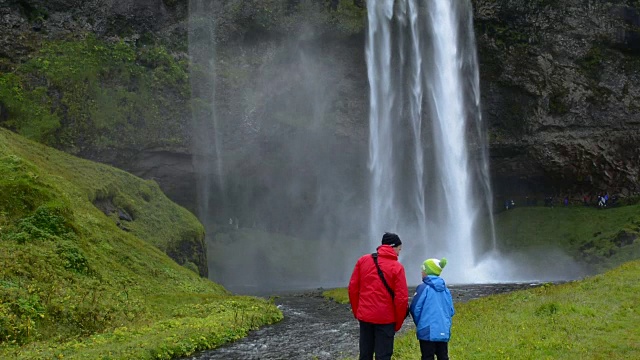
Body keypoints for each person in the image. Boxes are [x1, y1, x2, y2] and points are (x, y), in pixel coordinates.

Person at [348, 232, 409, 360]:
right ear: (393, 247)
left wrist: (358, 312)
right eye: (399, 249)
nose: (399, 253)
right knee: (383, 356)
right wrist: (397, 324)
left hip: (365, 317)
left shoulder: (363, 260)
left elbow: (353, 290)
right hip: (386, 320)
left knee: (365, 354)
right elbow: (401, 299)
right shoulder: (397, 267)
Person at [409, 258, 455, 360]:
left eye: (423, 269)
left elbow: (415, 308)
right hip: (443, 329)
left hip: (427, 330)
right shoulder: (446, 290)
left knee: (427, 357)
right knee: (443, 356)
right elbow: (451, 310)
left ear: (428, 271)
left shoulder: (422, 288)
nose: (421, 272)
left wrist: (420, 323)